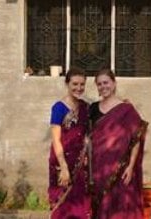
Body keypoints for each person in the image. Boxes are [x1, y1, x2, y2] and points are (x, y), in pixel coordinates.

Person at [89, 69, 148, 219]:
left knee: (120, 204)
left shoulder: (126, 110)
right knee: (101, 204)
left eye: (106, 82)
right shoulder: (93, 108)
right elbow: (88, 137)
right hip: (99, 166)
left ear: (114, 84)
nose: (103, 86)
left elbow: (137, 137)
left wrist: (130, 166)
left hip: (120, 167)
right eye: (99, 84)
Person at [48, 67, 90, 219]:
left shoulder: (85, 107)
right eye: (75, 84)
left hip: (81, 163)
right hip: (61, 162)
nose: (79, 88)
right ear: (67, 84)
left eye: (82, 84)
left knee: (80, 206)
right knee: (62, 206)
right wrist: (64, 167)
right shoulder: (58, 108)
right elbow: (56, 140)